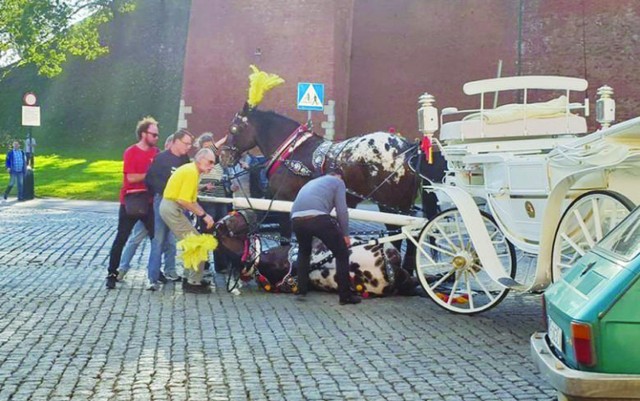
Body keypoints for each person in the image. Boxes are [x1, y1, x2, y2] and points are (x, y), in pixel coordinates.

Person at [290, 167, 361, 305]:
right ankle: (345, 296)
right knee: (341, 254)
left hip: (296, 219)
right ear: (339, 176)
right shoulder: (338, 182)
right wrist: (345, 234)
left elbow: (295, 207)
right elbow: (342, 210)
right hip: (318, 218)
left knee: (304, 251)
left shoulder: (312, 183)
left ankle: (301, 289)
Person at [106, 116, 160, 290]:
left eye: (157, 135)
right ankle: (112, 273)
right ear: (144, 134)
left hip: (149, 201)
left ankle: (156, 272)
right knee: (121, 238)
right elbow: (131, 177)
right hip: (130, 201)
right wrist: (150, 174)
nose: (156, 138)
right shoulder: (131, 152)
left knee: (157, 238)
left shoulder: (156, 153)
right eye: (154, 134)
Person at [118, 133, 178, 277]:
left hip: (164, 207)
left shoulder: (173, 164)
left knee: (169, 242)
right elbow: (137, 178)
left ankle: (169, 270)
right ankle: (123, 267)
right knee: (137, 238)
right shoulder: (159, 159)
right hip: (147, 205)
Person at [159, 148, 216, 294]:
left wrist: (205, 215)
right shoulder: (191, 172)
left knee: (192, 243)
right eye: (210, 162)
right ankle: (193, 282)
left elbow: (191, 200)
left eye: (213, 163)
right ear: (200, 159)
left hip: (171, 208)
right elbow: (183, 200)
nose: (211, 166)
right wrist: (204, 216)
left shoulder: (191, 170)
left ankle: (189, 277)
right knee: (198, 244)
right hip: (171, 208)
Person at [143, 129, 193, 290]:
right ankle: (153, 276)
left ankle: (174, 271)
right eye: (186, 143)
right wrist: (166, 194)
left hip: (179, 203)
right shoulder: (161, 158)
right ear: (176, 142)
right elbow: (150, 180)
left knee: (175, 240)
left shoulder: (185, 160)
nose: (188, 147)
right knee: (158, 239)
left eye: (190, 144)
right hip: (163, 201)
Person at [197, 133, 232, 274]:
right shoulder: (199, 162)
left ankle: (221, 264)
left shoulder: (219, 163)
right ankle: (203, 264)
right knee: (206, 231)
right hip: (206, 201)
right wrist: (223, 139)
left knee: (221, 231)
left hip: (220, 199)